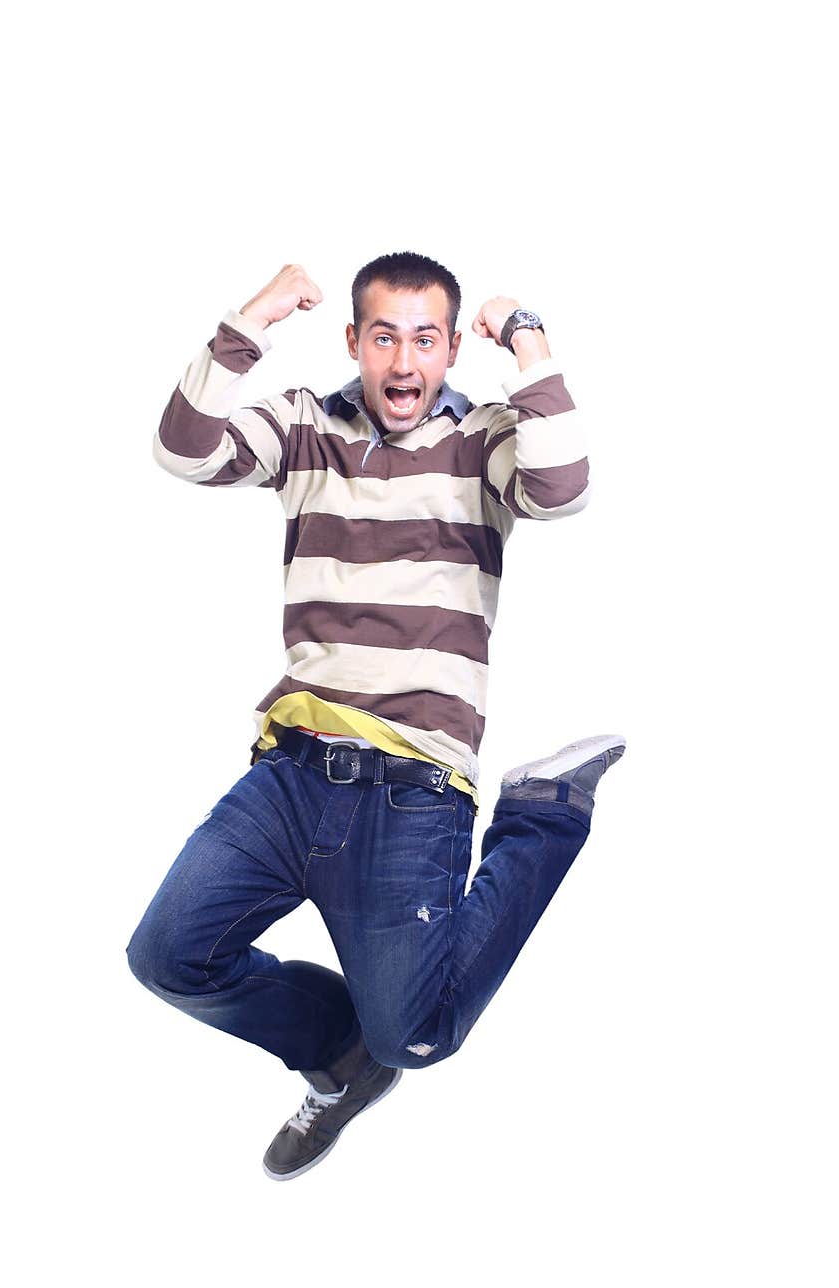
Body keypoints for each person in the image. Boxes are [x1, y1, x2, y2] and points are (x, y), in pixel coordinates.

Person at [127, 252, 626, 1181]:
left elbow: (566, 488)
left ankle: (544, 813)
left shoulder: (485, 439)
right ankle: (340, 1057)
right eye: (384, 337)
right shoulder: (306, 426)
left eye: (425, 339)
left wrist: (527, 336)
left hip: (414, 791)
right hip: (289, 776)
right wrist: (254, 317)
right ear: (355, 342)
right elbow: (184, 450)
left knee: (423, 1038)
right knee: (167, 957)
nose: (404, 363)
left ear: (447, 347)